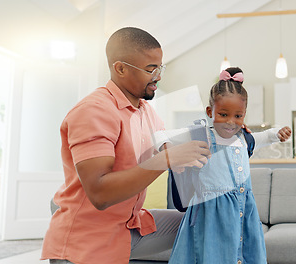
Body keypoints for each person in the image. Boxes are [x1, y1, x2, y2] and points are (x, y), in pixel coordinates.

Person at [41, 27, 211, 264]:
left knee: (202, 221)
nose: (159, 76)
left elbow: (165, 146)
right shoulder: (94, 111)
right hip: (87, 240)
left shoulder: (146, 111)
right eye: (151, 69)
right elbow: (100, 194)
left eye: (160, 67)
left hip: (127, 226)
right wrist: (167, 160)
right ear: (120, 68)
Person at [158, 67, 292, 264]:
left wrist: (277, 133)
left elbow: (262, 137)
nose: (231, 122)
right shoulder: (200, 135)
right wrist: (169, 151)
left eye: (238, 116)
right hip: (210, 216)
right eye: (223, 114)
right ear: (210, 112)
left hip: (242, 211)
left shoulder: (244, 138)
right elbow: (161, 136)